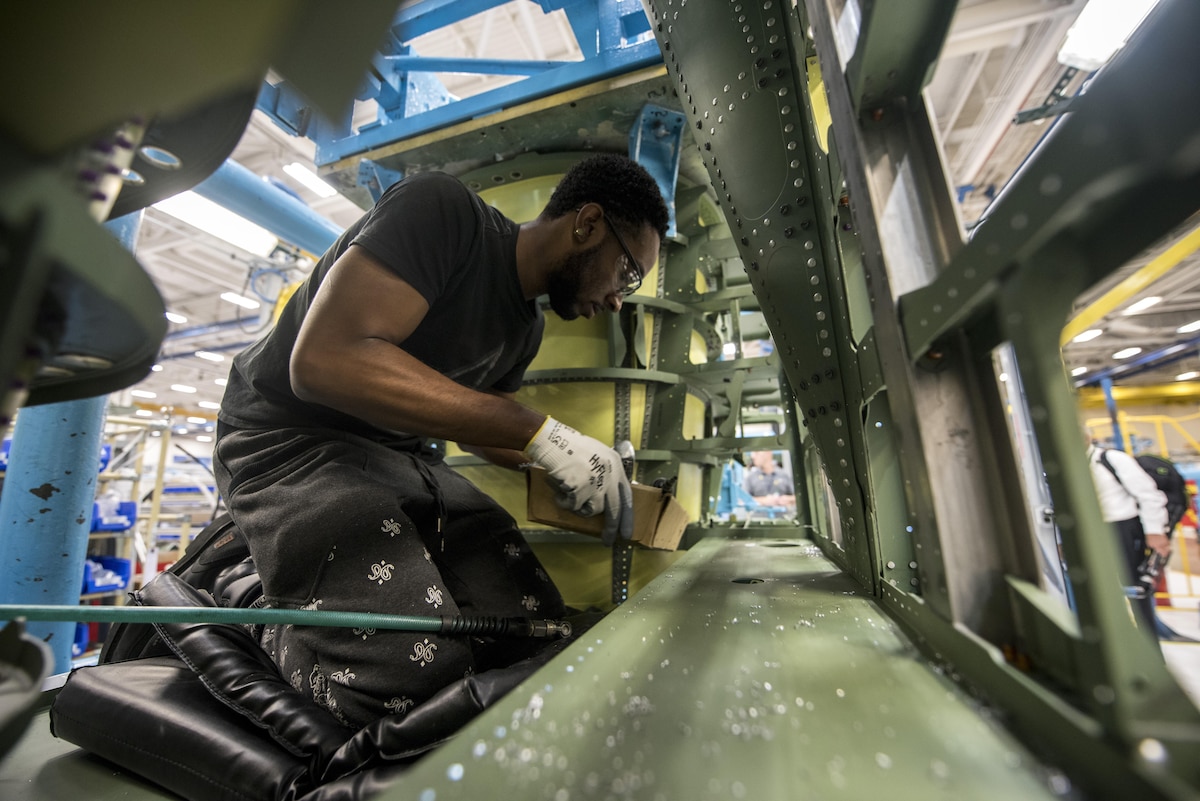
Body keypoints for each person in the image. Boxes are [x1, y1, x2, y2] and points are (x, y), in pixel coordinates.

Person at [213, 153, 669, 728]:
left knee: (534, 629)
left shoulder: (525, 329)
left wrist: (569, 462)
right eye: (627, 274)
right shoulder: (443, 212)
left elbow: (479, 421)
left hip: (391, 457)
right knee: (399, 683)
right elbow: (326, 360)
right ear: (588, 224)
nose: (618, 299)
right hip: (287, 442)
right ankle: (251, 596)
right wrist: (539, 431)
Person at [1085, 438, 1170, 631]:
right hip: (1090, 530)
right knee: (1098, 593)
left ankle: (1150, 651)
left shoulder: (1111, 459)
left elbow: (1149, 496)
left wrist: (1155, 532)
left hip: (1123, 530)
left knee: (1135, 592)